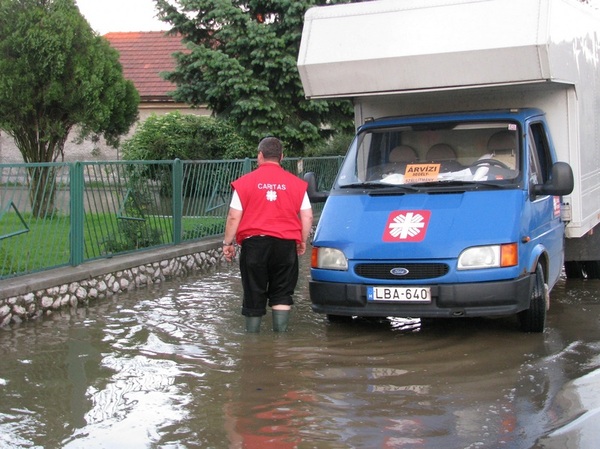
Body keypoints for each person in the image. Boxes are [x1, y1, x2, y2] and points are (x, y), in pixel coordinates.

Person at [222, 137, 313, 333]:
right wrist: (302, 241)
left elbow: (233, 217)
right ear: (282, 157)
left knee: (254, 292)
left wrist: (227, 243)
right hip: (286, 245)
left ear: (260, 155)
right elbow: (307, 216)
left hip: (254, 246)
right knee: (282, 294)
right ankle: (280, 344)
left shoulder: (245, 183)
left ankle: (252, 345)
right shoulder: (297, 184)